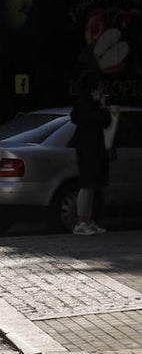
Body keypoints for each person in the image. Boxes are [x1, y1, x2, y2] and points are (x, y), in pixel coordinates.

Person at [71, 71, 115, 235]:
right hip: (88, 149)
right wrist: (102, 109)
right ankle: (81, 221)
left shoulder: (87, 106)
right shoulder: (85, 106)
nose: (101, 92)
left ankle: (87, 220)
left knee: (92, 186)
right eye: (99, 88)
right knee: (87, 185)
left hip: (94, 148)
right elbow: (101, 120)